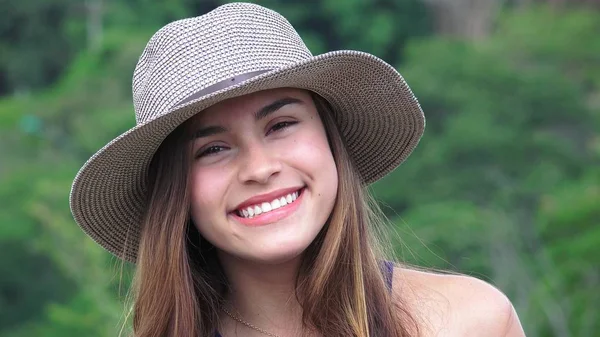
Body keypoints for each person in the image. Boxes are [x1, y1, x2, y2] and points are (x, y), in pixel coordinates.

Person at [70, 3, 525, 337]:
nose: (260, 168)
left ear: (331, 139)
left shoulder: (471, 321)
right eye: (212, 149)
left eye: (281, 125)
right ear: (177, 194)